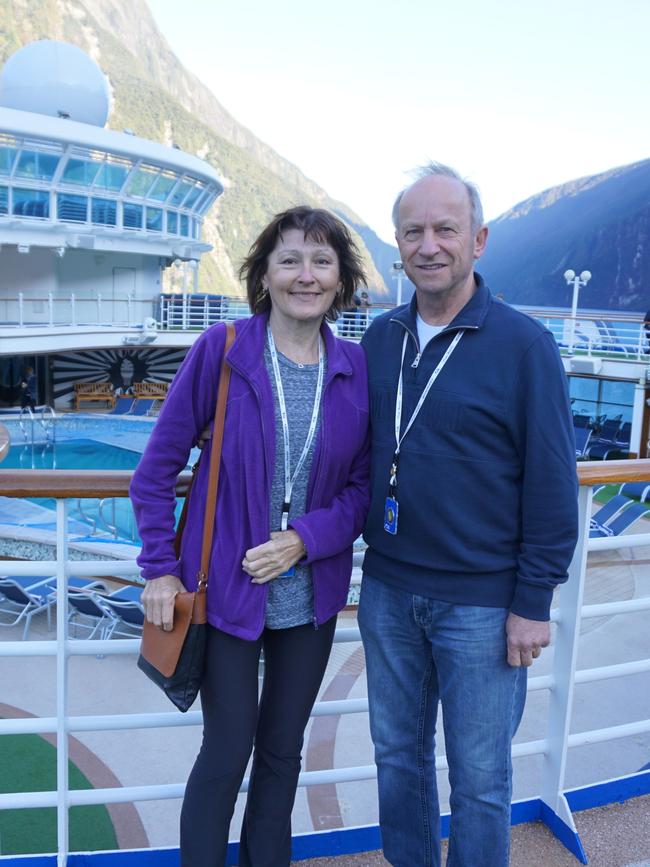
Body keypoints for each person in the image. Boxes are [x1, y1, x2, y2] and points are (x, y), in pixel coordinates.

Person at [130, 206, 370, 867]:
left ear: (341, 279)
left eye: (322, 261)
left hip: (310, 598)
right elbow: (154, 471)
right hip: (224, 594)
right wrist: (159, 566)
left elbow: (363, 490)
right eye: (289, 259)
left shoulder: (354, 367)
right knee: (228, 748)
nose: (306, 274)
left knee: (282, 752)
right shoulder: (226, 349)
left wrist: (304, 539)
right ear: (264, 272)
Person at [358, 162, 578, 867]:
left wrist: (532, 600)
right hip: (389, 588)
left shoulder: (523, 346)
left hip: (482, 604)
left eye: (445, 229)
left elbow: (551, 480)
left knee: (482, 781)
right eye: (413, 230)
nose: (429, 244)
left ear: (477, 240)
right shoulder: (381, 338)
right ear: (397, 243)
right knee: (396, 758)